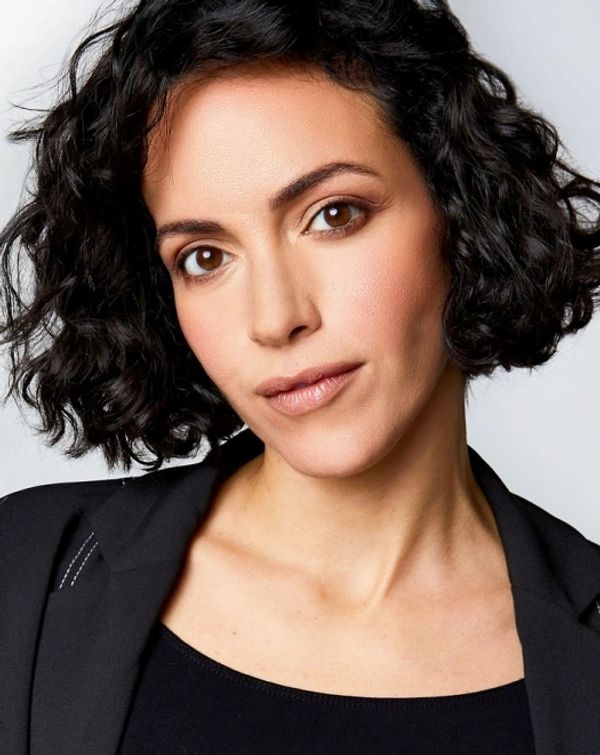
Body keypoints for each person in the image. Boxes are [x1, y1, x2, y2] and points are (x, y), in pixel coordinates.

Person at [1, 0, 600, 752]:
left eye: (334, 215)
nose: (275, 318)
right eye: (205, 258)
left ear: (461, 205)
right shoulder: (26, 573)